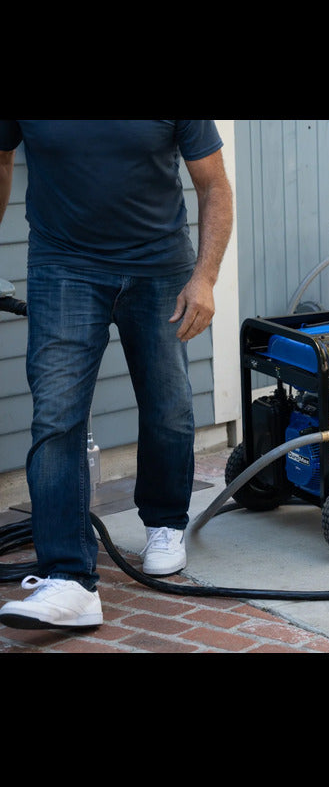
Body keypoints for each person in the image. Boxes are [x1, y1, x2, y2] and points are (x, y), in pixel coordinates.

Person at [0, 120, 233, 630]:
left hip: (160, 265)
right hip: (63, 265)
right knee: (56, 415)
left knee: (167, 407)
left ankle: (165, 522)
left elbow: (213, 183)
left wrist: (206, 278)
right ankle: (68, 578)